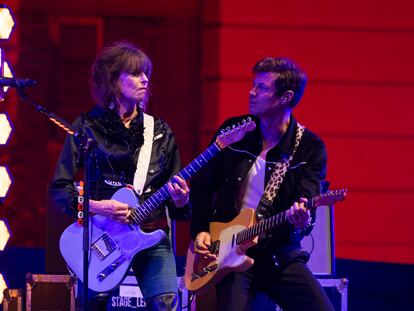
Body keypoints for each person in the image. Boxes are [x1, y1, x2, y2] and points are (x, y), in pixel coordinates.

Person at [49, 41, 190, 310]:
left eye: (146, 73)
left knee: (166, 302)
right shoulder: (87, 127)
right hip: (102, 238)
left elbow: (176, 203)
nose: (146, 79)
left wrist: (182, 201)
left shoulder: (159, 131)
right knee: (94, 304)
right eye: (136, 73)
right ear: (113, 79)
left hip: (150, 233)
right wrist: (98, 206)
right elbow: (59, 188)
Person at [190, 57, 334, 311]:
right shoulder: (235, 131)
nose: (251, 92)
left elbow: (307, 201)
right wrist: (200, 230)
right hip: (230, 251)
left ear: (285, 97)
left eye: (262, 88)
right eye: (253, 84)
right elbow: (202, 185)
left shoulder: (310, 148)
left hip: (279, 253)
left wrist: (303, 218)